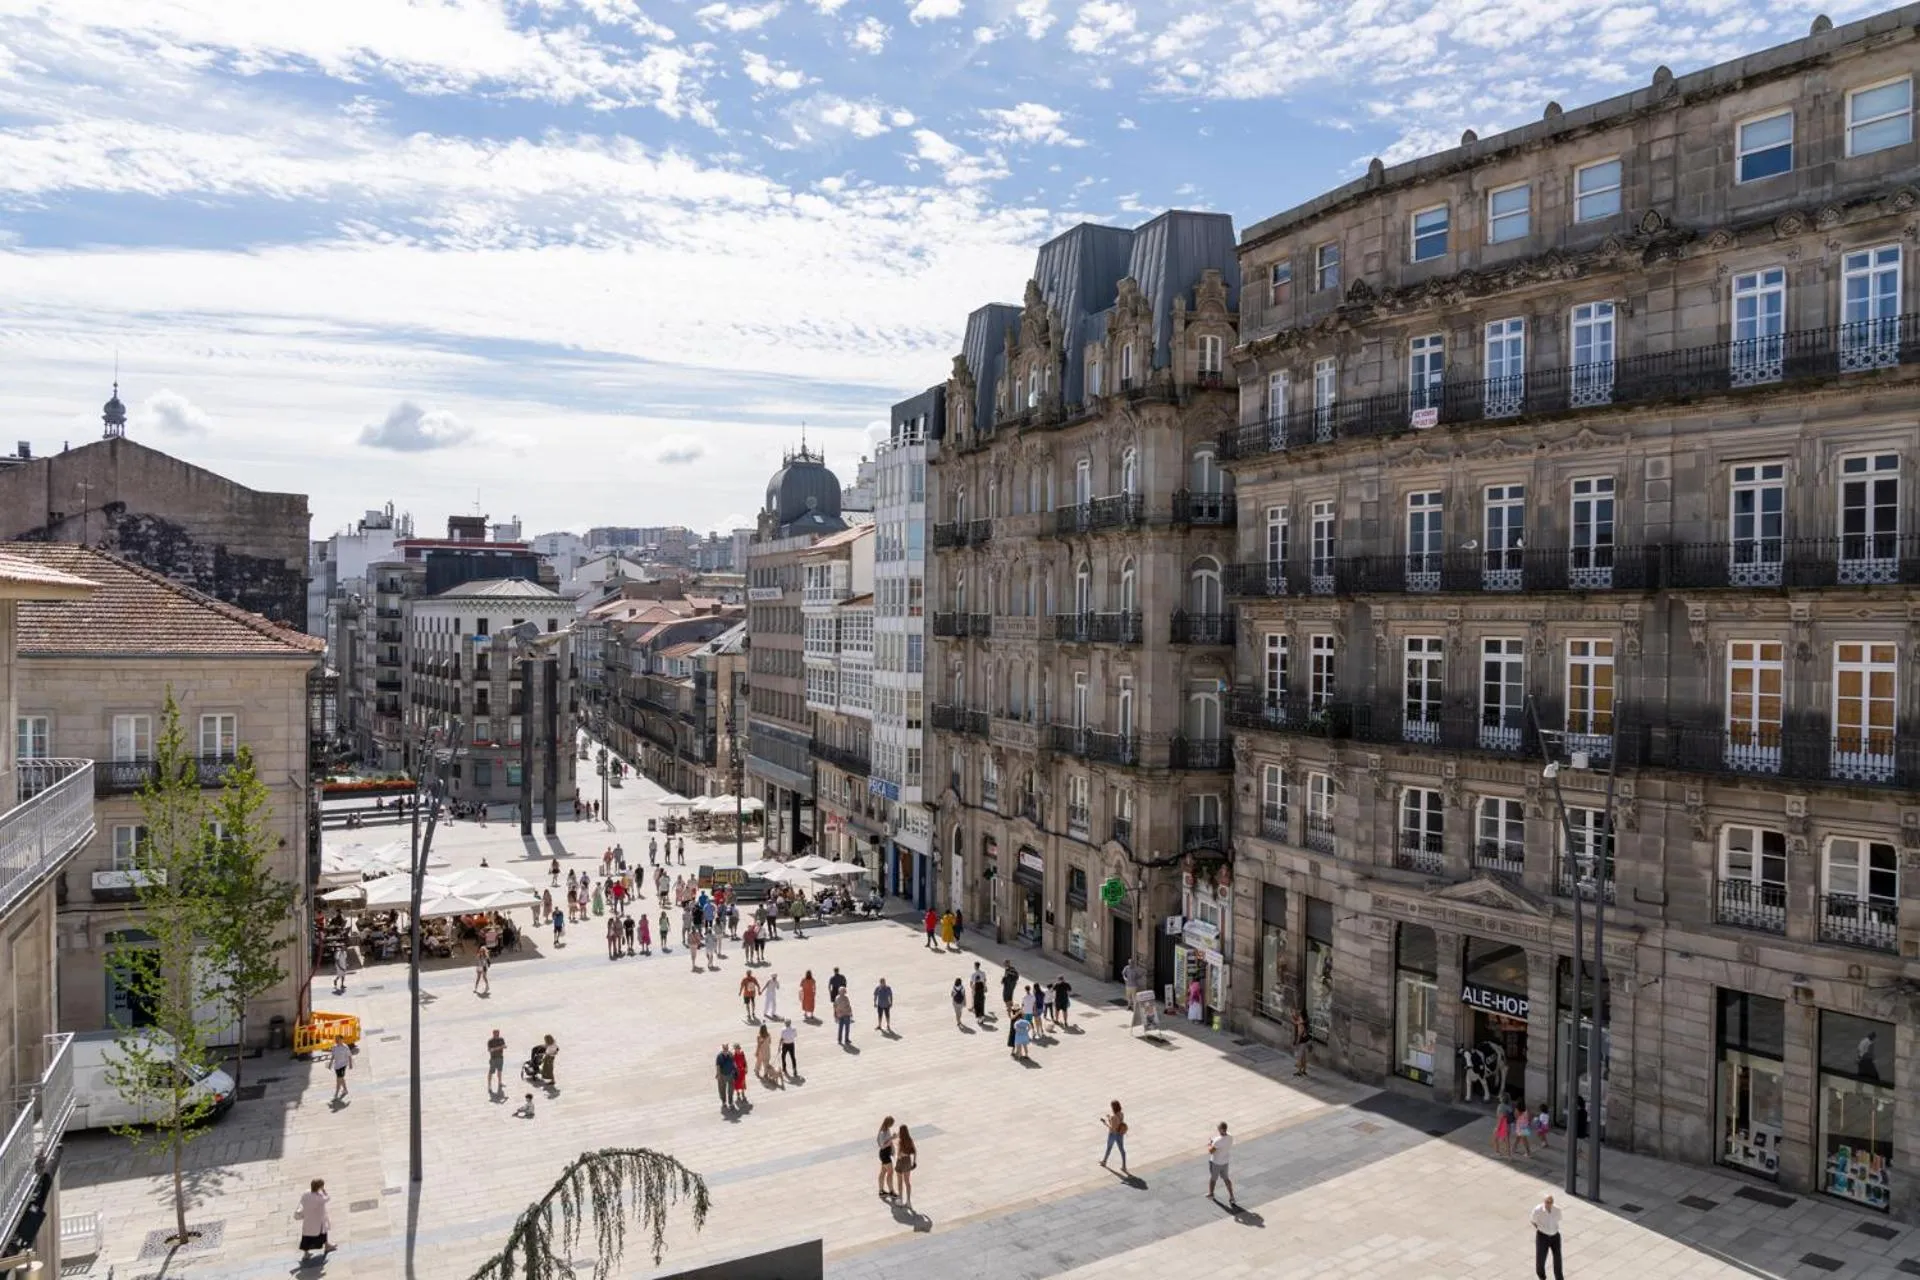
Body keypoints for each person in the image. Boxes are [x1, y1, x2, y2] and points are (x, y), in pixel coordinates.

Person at [296, 1178, 334, 1261]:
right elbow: (327, 1198)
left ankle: (306, 1253)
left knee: (306, 1237)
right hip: (318, 1220)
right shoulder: (319, 1198)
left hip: (308, 1219)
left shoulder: (306, 1193)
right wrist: (324, 1191)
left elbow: (302, 1201)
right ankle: (327, 1246)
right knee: (323, 1233)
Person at [1531, 1192, 1565, 1280]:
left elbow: (1559, 1219)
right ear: (1544, 1201)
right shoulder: (1538, 1210)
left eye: (1551, 1202)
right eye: (1547, 1202)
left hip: (1555, 1236)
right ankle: (1542, 1276)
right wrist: (1541, 1229)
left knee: (1557, 1258)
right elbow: (1533, 1221)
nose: (1549, 1204)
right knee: (1541, 1259)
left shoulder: (1557, 1210)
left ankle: (1559, 1278)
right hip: (1543, 1236)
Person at [1206, 1122, 1236, 1207]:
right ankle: (1232, 1197)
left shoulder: (1217, 1141)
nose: (1218, 1130)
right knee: (1226, 1179)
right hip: (1225, 1162)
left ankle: (1211, 1194)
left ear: (1222, 1129)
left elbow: (1211, 1151)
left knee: (1213, 1179)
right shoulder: (1230, 1136)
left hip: (1216, 1162)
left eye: (1219, 1128)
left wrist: (1210, 1144)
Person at [1101, 1100, 1129, 1174]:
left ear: (1113, 1107)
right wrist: (1109, 1118)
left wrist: (1105, 1123)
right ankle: (1124, 1166)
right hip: (1120, 1134)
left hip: (1113, 1134)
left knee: (1109, 1148)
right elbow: (1117, 1124)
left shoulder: (1114, 1117)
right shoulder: (1121, 1114)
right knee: (1122, 1150)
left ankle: (1104, 1161)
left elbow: (1112, 1128)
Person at [893, 1124, 918, 1208]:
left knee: (900, 1181)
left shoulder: (900, 1141)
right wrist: (914, 1162)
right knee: (907, 1182)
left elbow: (899, 1155)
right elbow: (915, 1151)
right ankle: (908, 1201)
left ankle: (900, 1199)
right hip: (908, 1161)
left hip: (901, 1162)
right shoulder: (910, 1140)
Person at [876, 1116, 896, 1199]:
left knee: (883, 1172)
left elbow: (888, 1141)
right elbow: (882, 1146)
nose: (892, 1125)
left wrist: (891, 1139)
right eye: (891, 1124)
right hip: (884, 1154)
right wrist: (892, 1139)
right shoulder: (882, 1132)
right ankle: (891, 1191)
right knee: (890, 1173)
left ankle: (881, 1191)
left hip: (886, 1153)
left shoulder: (887, 1129)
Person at [1494, 1093, 1516, 1158]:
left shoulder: (1500, 1106)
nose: (1499, 1098)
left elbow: (1501, 1117)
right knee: (1507, 1140)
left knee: (1495, 1138)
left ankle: (1497, 1152)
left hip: (1502, 1124)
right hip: (1508, 1125)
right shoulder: (1509, 1106)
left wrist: (1497, 1127)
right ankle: (1509, 1155)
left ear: (1502, 1099)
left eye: (1500, 1097)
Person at [716, 1043, 737, 1110]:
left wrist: (735, 1070)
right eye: (724, 1049)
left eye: (726, 1049)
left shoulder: (730, 1054)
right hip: (722, 1075)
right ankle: (724, 1102)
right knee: (722, 1089)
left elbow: (734, 1063)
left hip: (730, 1075)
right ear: (722, 1049)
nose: (726, 1050)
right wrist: (718, 1075)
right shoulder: (719, 1056)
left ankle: (730, 1102)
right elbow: (718, 1066)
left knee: (731, 1089)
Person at [1291, 1008, 1311, 1077]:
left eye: (1299, 1015)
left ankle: (1299, 1071)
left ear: (1301, 1016)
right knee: (1304, 1057)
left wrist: (1297, 1042)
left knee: (1300, 1057)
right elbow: (1295, 1022)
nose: (1298, 1016)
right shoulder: (1305, 1022)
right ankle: (1304, 1070)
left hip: (1302, 1042)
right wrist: (1293, 1016)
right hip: (1305, 1041)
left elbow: (1299, 1034)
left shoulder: (1301, 1025)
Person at [486, 1028, 506, 1093]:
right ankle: (489, 1086)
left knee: (500, 1071)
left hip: (500, 1057)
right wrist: (499, 1047)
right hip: (493, 1059)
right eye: (496, 1034)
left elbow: (504, 1046)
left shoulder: (501, 1039)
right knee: (491, 1072)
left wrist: (502, 1047)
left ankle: (500, 1082)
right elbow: (489, 1050)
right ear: (493, 1034)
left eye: (498, 1033)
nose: (497, 1035)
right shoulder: (490, 1041)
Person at [732, 1043, 749, 1108]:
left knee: (742, 1082)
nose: (737, 1050)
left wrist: (746, 1067)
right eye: (736, 1049)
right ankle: (737, 1093)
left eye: (738, 1049)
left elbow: (745, 1061)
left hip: (742, 1071)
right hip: (737, 1072)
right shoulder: (734, 1056)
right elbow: (733, 1064)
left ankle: (742, 1092)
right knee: (736, 1083)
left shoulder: (742, 1054)